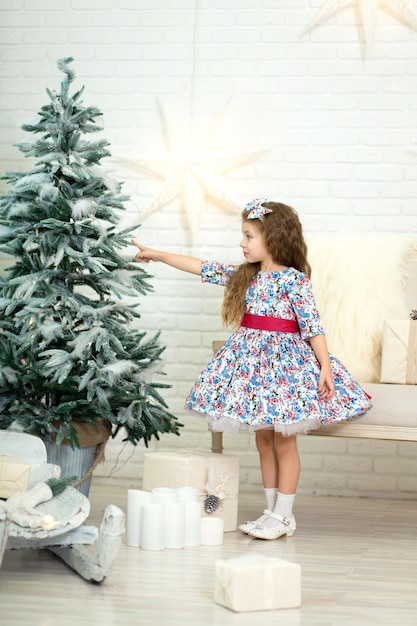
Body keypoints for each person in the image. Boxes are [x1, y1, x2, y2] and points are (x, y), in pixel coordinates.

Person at [132, 198, 372, 541]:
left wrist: (325, 368)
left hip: (285, 370)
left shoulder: (295, 281)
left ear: (273, 238)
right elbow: (200, 266)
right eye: (242, 236)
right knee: (263, 441)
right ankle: (272, 511)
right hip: (253, 371)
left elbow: (313, 327)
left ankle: (285, 516)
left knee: (284, 442)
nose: (241, 243)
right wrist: (158, 254)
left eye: (248, 236)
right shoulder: (245, 276)